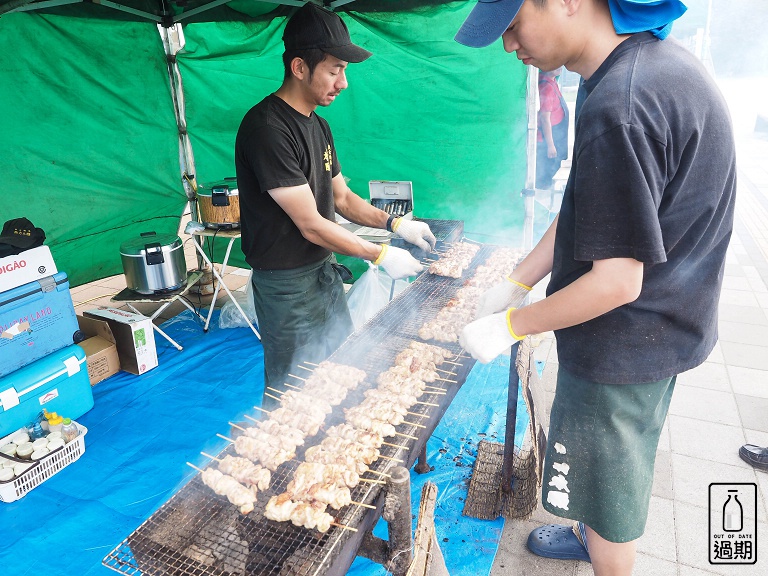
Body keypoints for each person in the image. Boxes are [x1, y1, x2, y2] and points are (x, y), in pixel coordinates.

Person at [455, 0, 735, 574]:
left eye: (511, 26)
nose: (510, 48)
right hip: (667, 323)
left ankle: (602, 548)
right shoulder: (633, 68)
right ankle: (588, 533)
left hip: (628, 342)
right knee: (607, 469)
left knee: (612, 495)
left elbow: (615, 283)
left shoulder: (621, 103)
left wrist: (511, 326)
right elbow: (587, 207)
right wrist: (516, 280)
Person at [235, 3, 436, 407]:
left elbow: (342, 198)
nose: (343, 83)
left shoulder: (319, 125)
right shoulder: (267, 128)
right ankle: (283, 464)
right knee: (292, 389)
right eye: (334, 70)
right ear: (299, 67)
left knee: (339, 368)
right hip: (287, 285)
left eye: (344, 70)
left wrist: (396, 226)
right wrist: (379, 254)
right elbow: (310, 223)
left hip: (321, 272)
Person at [536, 67, 569, 190]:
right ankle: (541, 202)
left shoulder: (552, 81)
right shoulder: (546, 87)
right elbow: (545, 118)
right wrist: (550, 145)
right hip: (546, 140)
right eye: (556, 64)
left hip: (556, 135)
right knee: (543, 178)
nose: (560, 67)